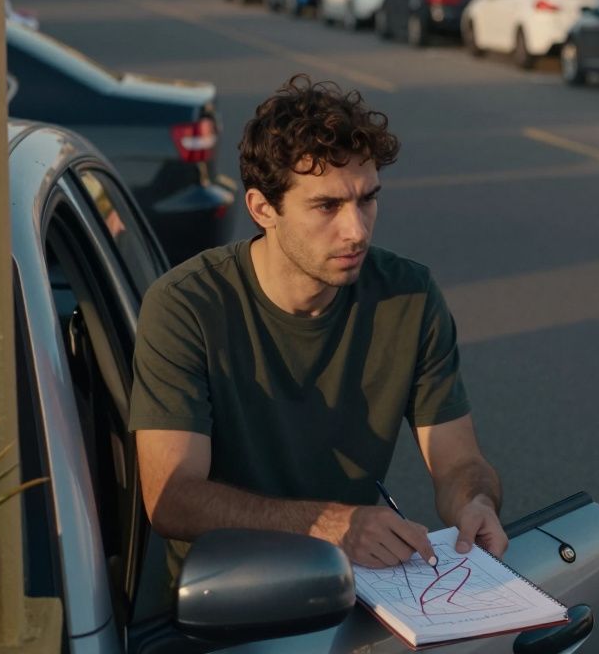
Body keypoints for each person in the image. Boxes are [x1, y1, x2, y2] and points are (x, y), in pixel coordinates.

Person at [130, 74, 505, 589]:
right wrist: (330, 524)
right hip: (221, 592)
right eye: (327, 206)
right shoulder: (186, 305)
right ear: (263, 209)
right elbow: (173, 497)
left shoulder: (410, 296)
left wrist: (475, 503)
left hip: (358, 583)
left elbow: (458, 460)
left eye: (367, 199)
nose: (357, 229)